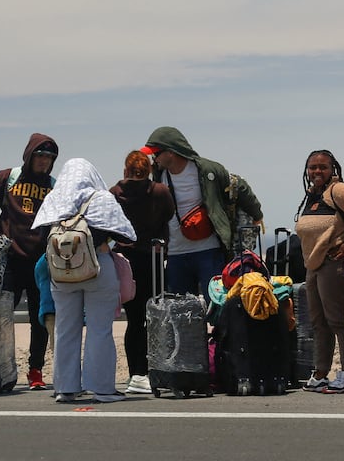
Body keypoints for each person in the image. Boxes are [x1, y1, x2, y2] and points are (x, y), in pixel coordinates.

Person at [32, 157, 137, 404]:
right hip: (97, 267)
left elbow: (40, 233)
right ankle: (101, 389)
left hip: (60, 273)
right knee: (99, 330)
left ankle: (66, 388)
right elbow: (126, 235)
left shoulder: (54, 199)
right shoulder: (101, 198)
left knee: (65, 330)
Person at [0, 132, 59, 391]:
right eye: (41, 155)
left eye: (50, 157)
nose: (44, 161)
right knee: (2, 318)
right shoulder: (8, 177)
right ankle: (1, 369)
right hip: (7, 261)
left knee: (39, 319)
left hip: (40, 262)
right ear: (30, 154)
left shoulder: (53, 185)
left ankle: (35, 370)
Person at [293, 149, 344, 393]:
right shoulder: (312, 195)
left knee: (339, 319)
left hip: (337, 264)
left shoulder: (338, 190)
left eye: (323, 167)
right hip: (314, 264)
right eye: (312, 167)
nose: (317, 171)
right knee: (318, 322)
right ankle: (321, 373)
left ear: (333, 169)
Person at [144, 127, 250, 300]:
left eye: (156, 153)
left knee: (217, 305)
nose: (153, 158)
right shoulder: (159, 176)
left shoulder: (207, 170)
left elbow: (239, 186)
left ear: (170, 152)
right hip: (175, 254)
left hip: (208, 251)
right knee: (182, 313)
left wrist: (257, 214)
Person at [109, 149, 175, 395]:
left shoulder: (115, 193)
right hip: (154, 258)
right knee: (156, 317)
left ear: (126, 169)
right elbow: (169, 215)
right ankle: (153, 370)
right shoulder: (159, 191)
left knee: (134, 320)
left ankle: (135, 373)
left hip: (126, 261)